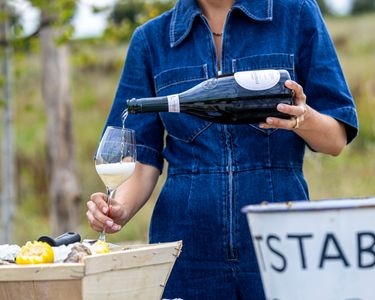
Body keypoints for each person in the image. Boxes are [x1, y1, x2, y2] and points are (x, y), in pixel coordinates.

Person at [86, 0, 358, 298]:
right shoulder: (152, 39)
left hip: (281, 243)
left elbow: (336, 140)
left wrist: (302, 119)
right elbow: (141, 155)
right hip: (185, 252)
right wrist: (120, 208)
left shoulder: (296, 14)